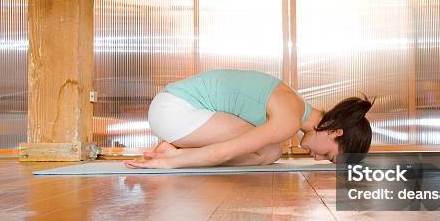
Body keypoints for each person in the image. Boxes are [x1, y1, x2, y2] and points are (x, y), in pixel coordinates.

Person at [124, 69, 373, 169]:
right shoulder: (289, 119)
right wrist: (170, 164)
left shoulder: (293, 103)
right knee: (269, 151)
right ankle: (174, 153)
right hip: (174, 110)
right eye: (329, 156)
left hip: (173, 109)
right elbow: (223, 152)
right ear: (336, 132)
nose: (318, 158)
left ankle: (176, 147)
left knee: (270, 150)